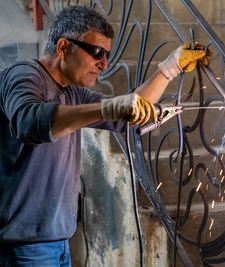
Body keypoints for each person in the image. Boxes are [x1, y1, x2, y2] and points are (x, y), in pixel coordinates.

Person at [0, 5, 207, 266]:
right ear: (63, 47)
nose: (104, 64)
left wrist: (169, 68)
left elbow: (126, 114)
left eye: (107, 54)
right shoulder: (24, 75)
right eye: (96, 52)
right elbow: (29, 122)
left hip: (58, 242)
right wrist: (109, 108)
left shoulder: (73, 91)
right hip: (24, 247)